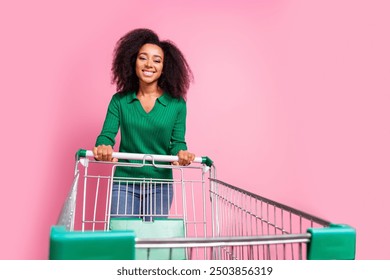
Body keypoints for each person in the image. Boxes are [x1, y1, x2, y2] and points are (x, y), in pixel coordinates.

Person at [93, 28, 195, 221]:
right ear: (133, 61)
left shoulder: (177, 104)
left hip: (160, 185)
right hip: (124, 182)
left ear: (165, 67)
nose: (149, 64)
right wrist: (103, 146)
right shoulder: (120, 101)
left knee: (151, 245)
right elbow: (106, 135)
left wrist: (182, 153)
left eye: (157, 60)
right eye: (143, 58)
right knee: (123, 241)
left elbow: (177, 142)